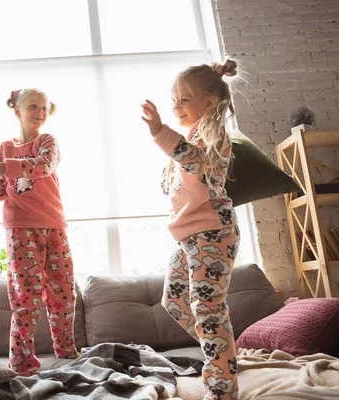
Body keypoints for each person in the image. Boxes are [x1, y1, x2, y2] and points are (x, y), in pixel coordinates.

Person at [141, 59, 242, 400]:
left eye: (184, 99)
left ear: (210, 102)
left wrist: (159, 132)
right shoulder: (191, 137)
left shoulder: (214, 134)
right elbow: (186, 171)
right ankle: (225, 356)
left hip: (211, 232)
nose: (175, 106)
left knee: (208, 309)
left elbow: (198, 161)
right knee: (174, 300)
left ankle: (221, 387)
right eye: (174, 99)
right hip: (189, 235)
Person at [0, 88, 78, 376]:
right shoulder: (5, 148)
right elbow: (0, 189)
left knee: (63, 292)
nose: (40, 112)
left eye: (44, 108)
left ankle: (66, 351)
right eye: (33, 106)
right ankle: (22, 362)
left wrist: (2, 167)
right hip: (20, 229)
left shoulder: (47, 141)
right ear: (17, 111)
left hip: (54, 225)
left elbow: (44, 166)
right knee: (26, 296)